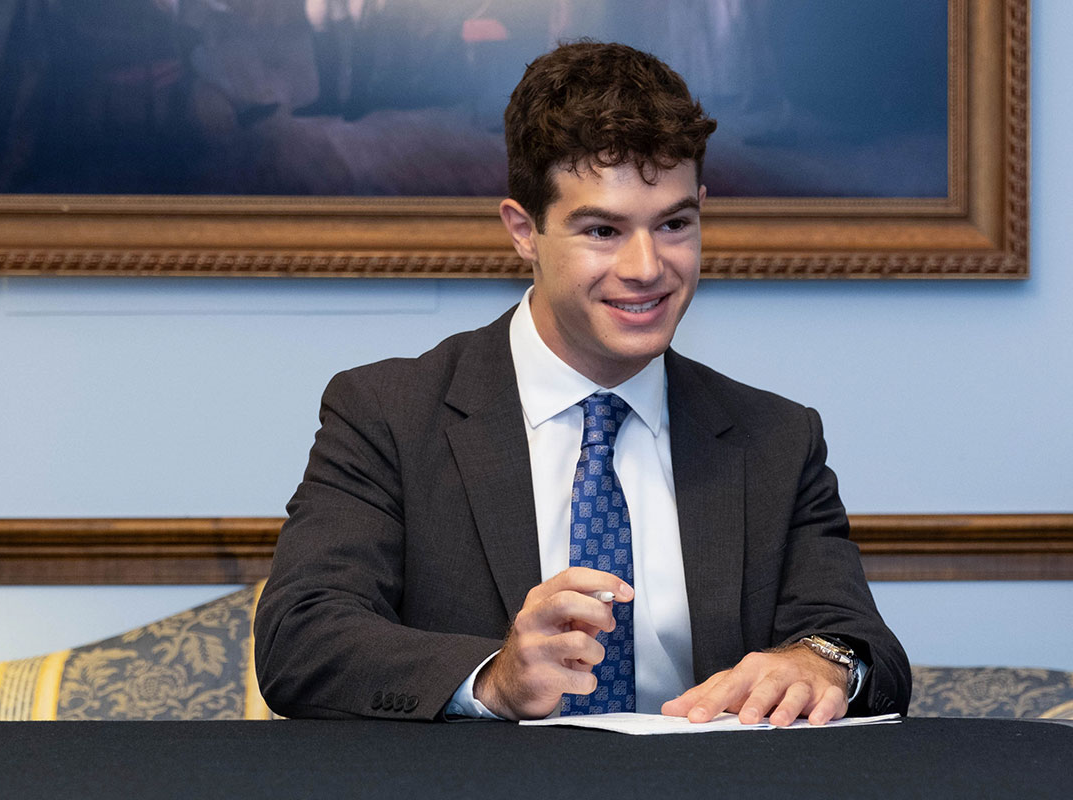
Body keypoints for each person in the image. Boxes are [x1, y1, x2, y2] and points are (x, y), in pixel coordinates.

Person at [254, 40, 910, 723]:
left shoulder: (777, 437)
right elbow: (299, 638)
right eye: (602, 229)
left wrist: (821, 660)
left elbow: (866, 649)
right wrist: (491, 680)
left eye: (676, 224)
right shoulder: (388, 415)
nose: (647, 266)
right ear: (523, 231)